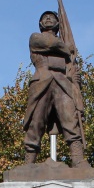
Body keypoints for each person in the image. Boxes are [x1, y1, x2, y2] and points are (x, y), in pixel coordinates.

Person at [21, 11, 88, 167]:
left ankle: (78, 159)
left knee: (70, 120)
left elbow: (69, 68)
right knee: (36, 122)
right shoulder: (35, 38)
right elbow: (50, 44)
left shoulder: (67, 51)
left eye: (52, 17)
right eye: (45, 18)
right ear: (40, 24)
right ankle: (28, 163)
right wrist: (67, 48)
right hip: (41, 83)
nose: (49, 19)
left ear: (59, 25)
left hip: (63, 84)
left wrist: (75, 78)